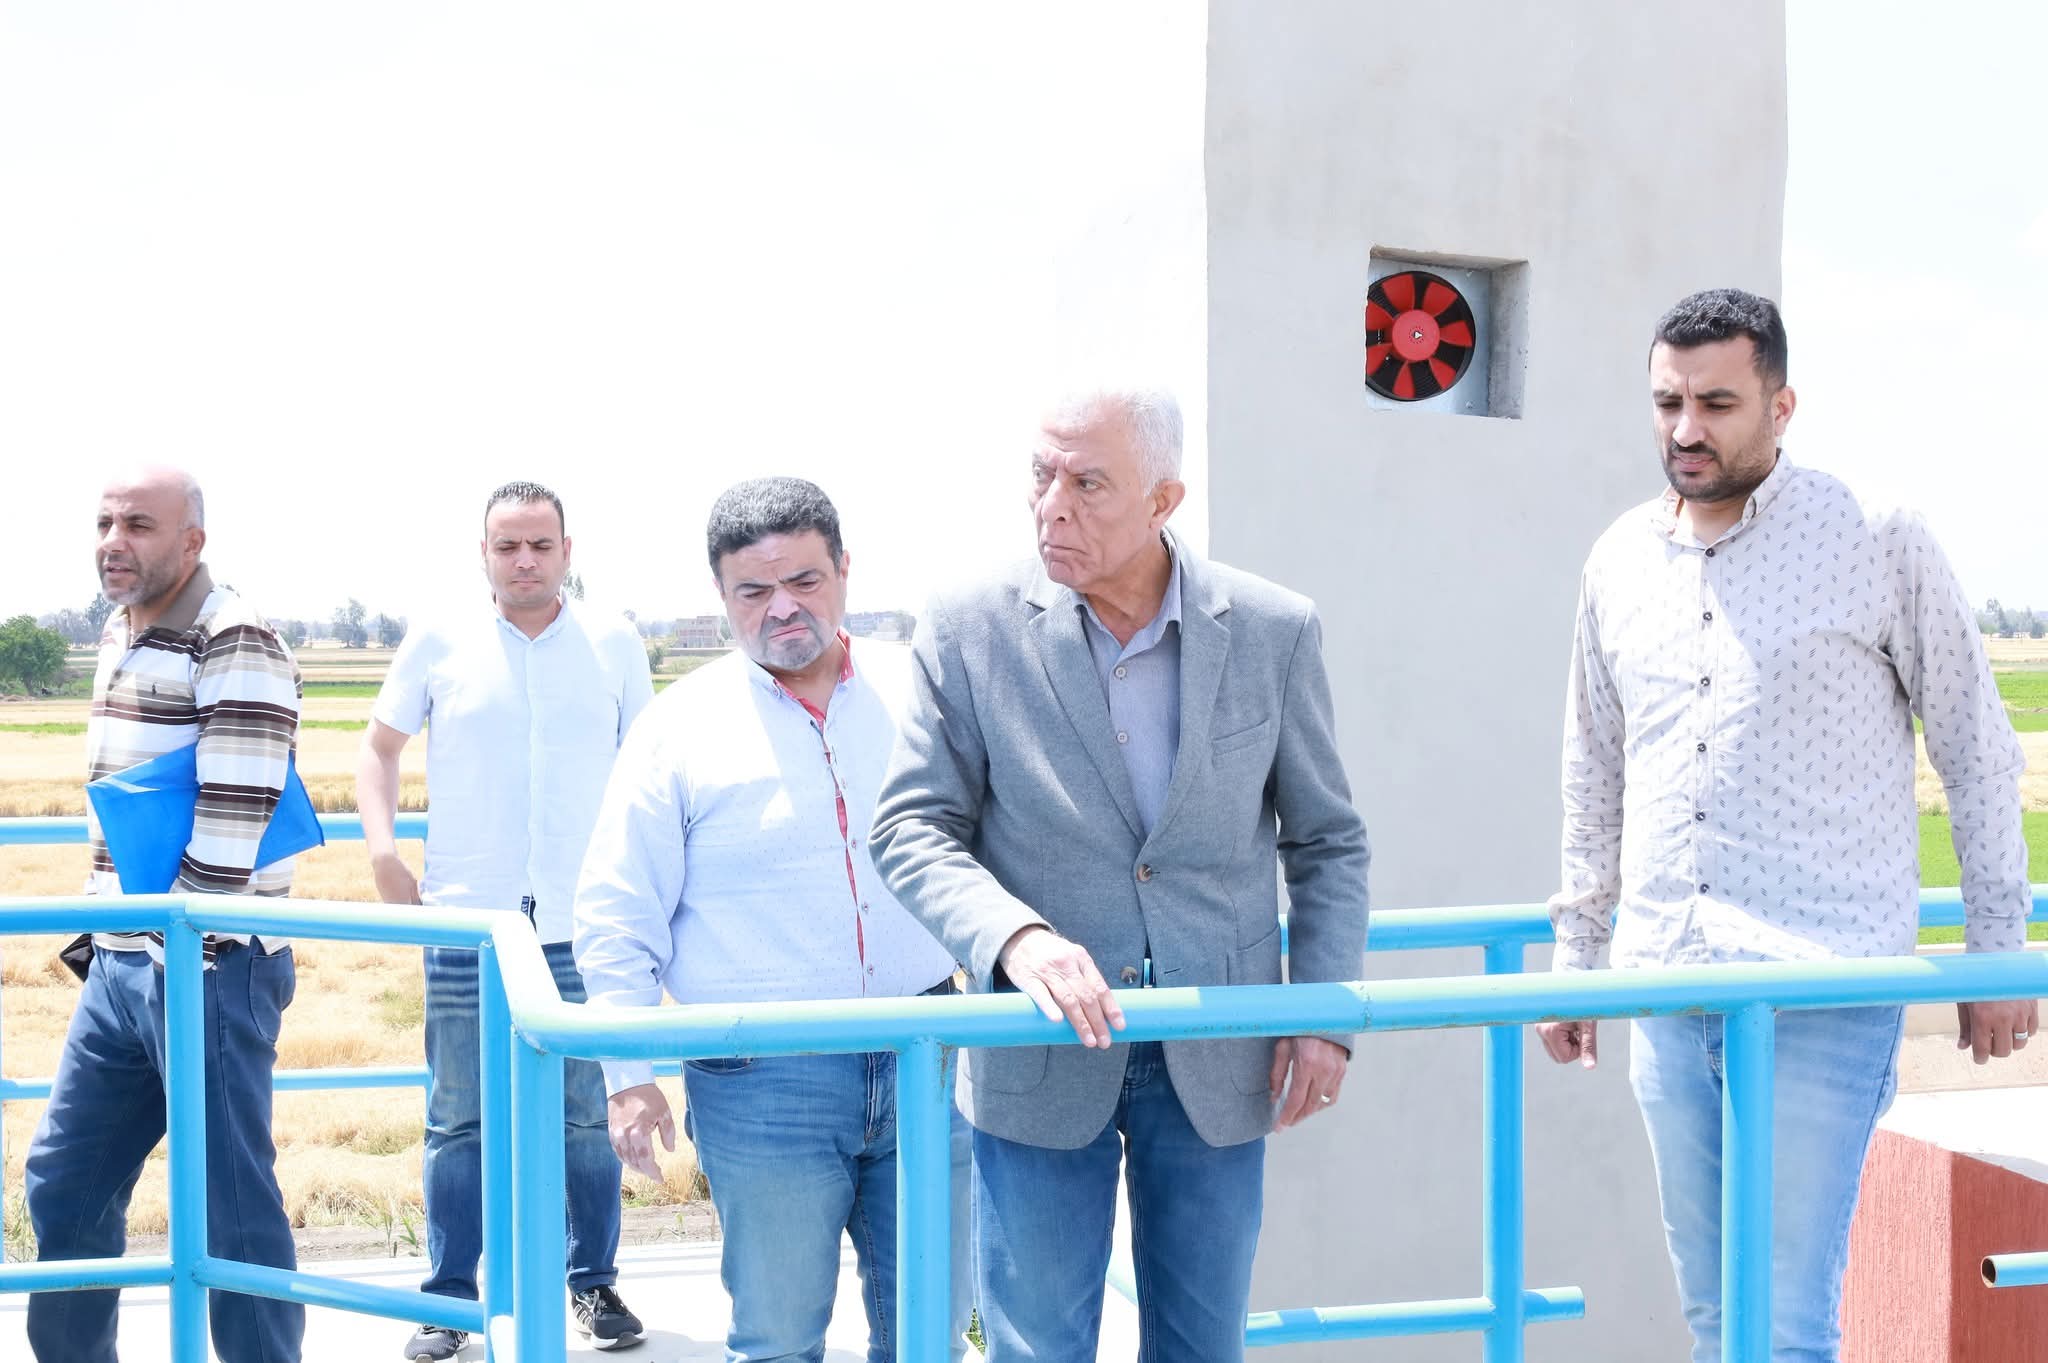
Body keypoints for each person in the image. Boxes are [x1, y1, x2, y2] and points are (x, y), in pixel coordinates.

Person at [1535, 288, 2034, 1362]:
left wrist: (1996, 949)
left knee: (1784, 1320)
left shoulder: (1876, 537)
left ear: (1780, 404)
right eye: (1667, 402)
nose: (1685, 429)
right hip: (1665, 987)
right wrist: (1576, 952)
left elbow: (1976, 747)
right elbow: (1593, 767)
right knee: (1717, 1316)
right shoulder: (1617, 560)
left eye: (1716, 404)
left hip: (1821, 990)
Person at [869, 386, 1373, 1363]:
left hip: (1218, 1046)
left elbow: (1327, 841)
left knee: (1202, 1346)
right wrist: (1016, 938)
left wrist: (1322, 1012)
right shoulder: (968, 625)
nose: (1051, 506)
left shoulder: (1272, 629)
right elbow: (910, 826)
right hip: (1039, 1042)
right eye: (1040, 475)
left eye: (1087, 483)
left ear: (1163, 499)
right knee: (1035, 1348)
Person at [574, 477, 972, 1363]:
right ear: (721, 595)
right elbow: (616, 912)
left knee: (931, 1334)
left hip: (930, 1049)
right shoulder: (678, 728)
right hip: (764, 1076)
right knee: (779, 1339)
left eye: (804, 580)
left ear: (845, 570)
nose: (782, 607)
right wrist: (629, 1074)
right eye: (753, 590)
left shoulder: (923, 692)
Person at [357, 481, 652, 1358]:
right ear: (482, 553)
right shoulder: (438, 639)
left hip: (584, 923)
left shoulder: (613, 642)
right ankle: (450, 1299)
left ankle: (592, 1283)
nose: (524, 560)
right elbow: (378, 749)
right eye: (507, 545)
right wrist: (383, 852)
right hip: (466, 926)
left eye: (540, 544)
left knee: (587, 1115)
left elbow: (646, 774)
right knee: (458, 1116)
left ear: (568, 550)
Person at [25, 466, 305, 1363]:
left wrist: (156, 947)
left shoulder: (234, 638)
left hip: (208, 962)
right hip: (120, 962)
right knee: (64, 1182)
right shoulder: (121, 629)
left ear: (192, 541)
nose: (114, 540)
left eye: (138, 524)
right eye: (105, 522)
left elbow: (225, 845)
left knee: (230, 1211)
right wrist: (111, 936)